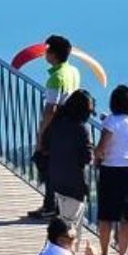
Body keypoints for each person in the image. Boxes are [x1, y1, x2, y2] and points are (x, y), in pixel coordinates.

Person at [26, 36, 82, 220]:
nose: (45, 53)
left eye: (48, 50)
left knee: (48, 167)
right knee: (60, 168)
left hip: (56, 128)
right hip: (72, 126)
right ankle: (58, 205)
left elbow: (51, 109)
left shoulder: (55, 78)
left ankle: (50, 206)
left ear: (54, 54)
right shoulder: (73, 71)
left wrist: (41, 135)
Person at [95, 85, 128, 255]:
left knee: (106, 216)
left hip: (110, 171)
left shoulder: (111, 122)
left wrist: (96, 159)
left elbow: (102, 147)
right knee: (127, 219)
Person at [43, 89, 96, 237]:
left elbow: (46, 145)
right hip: (74, 184)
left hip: (57, 180)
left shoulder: (57, 122)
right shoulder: (81, 130)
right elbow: (87, 158)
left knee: (64, 222)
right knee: (70, 228)